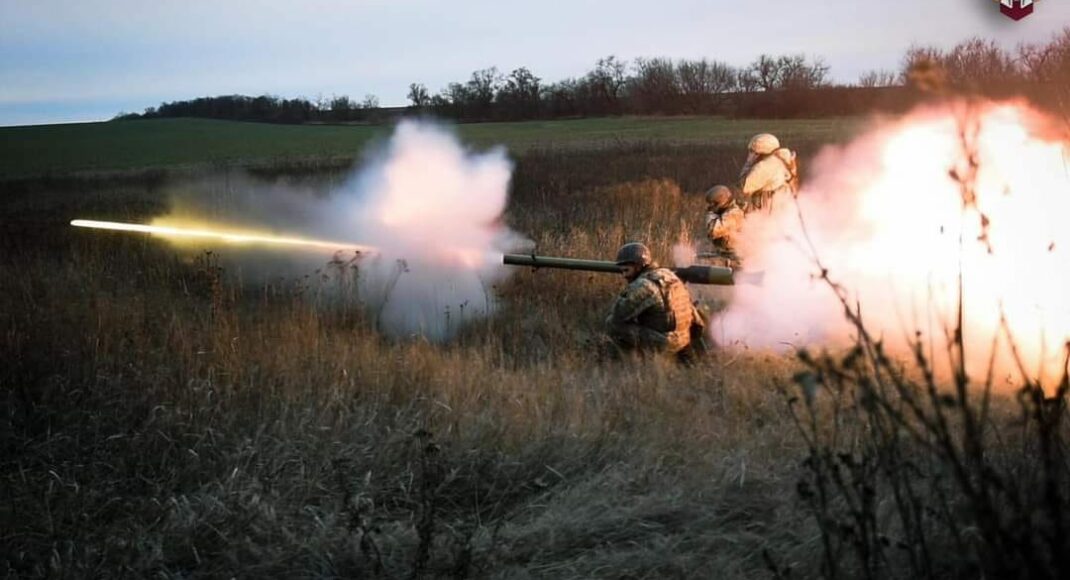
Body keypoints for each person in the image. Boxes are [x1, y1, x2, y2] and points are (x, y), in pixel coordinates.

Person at [604, 242, 704, 358]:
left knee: (612, 324)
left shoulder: (644, 285)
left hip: (666, 344)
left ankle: (632, 359)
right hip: (684, 340)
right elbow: (697, 321)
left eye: (626, 270)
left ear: (638, 266)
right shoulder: (670, 276)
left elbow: (618, 315)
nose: (624, 276)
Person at [739, 133, 798, 213]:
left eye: (753, 151)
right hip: (784, 202)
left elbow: (744, 186)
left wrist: (748, 163)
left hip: (769, 207)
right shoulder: (784, 158)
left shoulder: (764, 166)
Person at [703, 185, 745, 270]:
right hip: (726, 255)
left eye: (713, 204)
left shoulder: (734, 214)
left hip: (735, 260)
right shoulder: (726, 212)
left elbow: (713, 231)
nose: (710, 206)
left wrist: (710, 213)